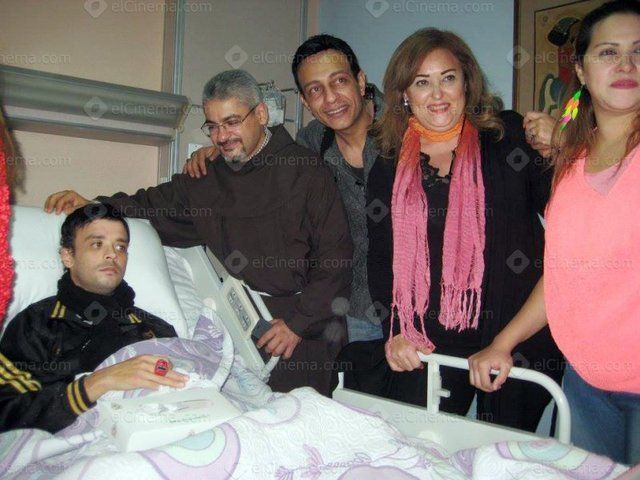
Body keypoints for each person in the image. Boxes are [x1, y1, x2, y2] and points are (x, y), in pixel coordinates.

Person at [44, 70, 352, 397]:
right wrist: (94, 206)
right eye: (213, 126)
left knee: (298, 417)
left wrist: (298, 325)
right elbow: (150, 205)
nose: (222, 136)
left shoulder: (307, 172)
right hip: (247, 324)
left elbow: (336, 257)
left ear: (261, 114)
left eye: (232, 122)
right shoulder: (208, 178)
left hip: (306, 327)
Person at [367, 27, 563, 432]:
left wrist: (561, 148)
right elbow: (382, 259)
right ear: (404, 94)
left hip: (516, 333)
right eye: (422, 82)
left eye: (448, 78)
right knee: (422, 444)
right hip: (431, 337)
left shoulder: (508, 136)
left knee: (504, 452)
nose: (437, 94)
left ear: (467, 83)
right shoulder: (388, 165)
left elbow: (568, 212)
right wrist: (396, 331)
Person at [470, 0, 640, 465]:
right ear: (581, 70)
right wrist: (503, 343)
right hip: (585, 382)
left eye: (638, 51)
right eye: (609, 52)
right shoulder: (571, 165)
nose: (626, 64)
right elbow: (563, 275)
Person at [184, 35, 386, 345]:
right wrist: (221, 149)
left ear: (360, 82)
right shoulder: (310, 145)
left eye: (339, 81)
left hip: (420, 305)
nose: (330, 98)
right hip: (357, 308)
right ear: (304, 101)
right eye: (315, 89)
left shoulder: (408, 133)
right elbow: (264, 155)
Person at [0, 205, 185, 433]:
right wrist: (96, 384)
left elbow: (188, 387)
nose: (112, 254)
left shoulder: (155, 329)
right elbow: (6, 411)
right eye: (97, 244)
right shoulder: (37, 324)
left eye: (121, 247)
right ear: (68, 256)